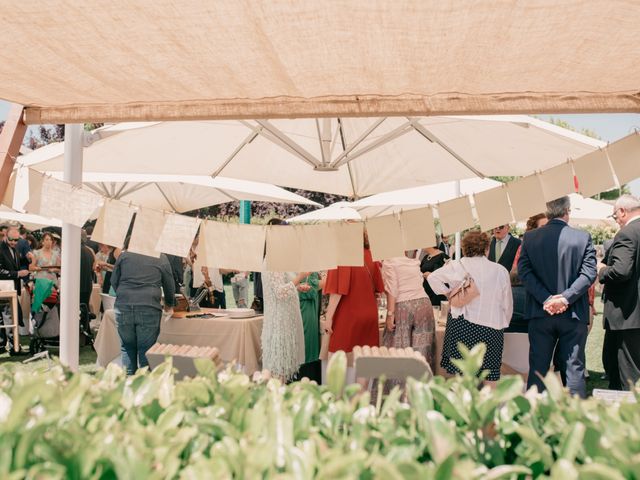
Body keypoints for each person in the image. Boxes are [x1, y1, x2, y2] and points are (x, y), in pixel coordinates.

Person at [518, 196, 596, 398]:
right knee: (574, 368)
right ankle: (575, 418)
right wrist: (565, 298)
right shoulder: (582, 237)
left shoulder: (531, 237)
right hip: (573, 315)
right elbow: (588, 274)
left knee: (538, 368)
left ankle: (535, 415)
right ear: (567, 211)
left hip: (540, 313)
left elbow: (524, 272)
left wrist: (547, 299)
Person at [428, 231, 513, 386]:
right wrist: (504, 322)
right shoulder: (500, 270)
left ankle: (463, 408)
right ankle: (489, 409)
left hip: (462, 325)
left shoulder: (456, 265)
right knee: (490, 376)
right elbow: (507, 304)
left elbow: (432, 278)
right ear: (487, 248)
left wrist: (448, 293)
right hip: (491, 327)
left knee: (462, 376)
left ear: (465, 248)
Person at [322, 229, 384, 387]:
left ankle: (336, 400)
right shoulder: (371, 254)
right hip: (369, 313)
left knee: (336, 356)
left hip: (348, 314)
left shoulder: (344, 255)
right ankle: (360, 399)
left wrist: (328, 318)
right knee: (364, 357)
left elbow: (337, 292)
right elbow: (378, 289)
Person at [111, 240, 176, 375]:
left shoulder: (124, 256)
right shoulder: (161, 257)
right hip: (148, 306)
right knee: (146, 351)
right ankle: (145, 389)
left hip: (123, 307)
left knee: (127, 348)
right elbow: (170, 285)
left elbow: (114, 281)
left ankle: (129, 388)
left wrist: (124, 295)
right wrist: (169, 305)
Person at [598, 195, 640, 390]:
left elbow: (621, 271)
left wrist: (601, 270)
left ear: (622, 211)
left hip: (627, 314)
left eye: (615, 216)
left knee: (627, 373)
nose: (616, 220)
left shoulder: (627, 233)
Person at [261, 218, 306, 380]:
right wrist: (300, 278)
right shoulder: (273, 260)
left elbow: (279, 287)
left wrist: (296, 286)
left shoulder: (276, 258)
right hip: (280, 324)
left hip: (283, 321)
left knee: (280, 371)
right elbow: (279, 293)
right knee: (278, 372)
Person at [383, 251, 436, 373]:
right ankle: (420, 388)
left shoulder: (389, 261)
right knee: (422, 352)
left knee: (398, 351)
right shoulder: (413, 262)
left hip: (403, 306)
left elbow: (393, 289)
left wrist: (390, 314)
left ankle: (400, 389)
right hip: (424, 304)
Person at [508, 213, 548, 332]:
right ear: (534, 229)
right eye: (543, 226)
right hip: (530, 297)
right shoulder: (525, 247)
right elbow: (517, 271)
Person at [0, 226, 29, 351]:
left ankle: (5, 345)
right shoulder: (1, 249)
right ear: (6, 235)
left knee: (8, 317)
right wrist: (17, 274)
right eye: (11, 239)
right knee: (8, 317)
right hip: (4, 289)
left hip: (12, 288)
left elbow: (14, 264)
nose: (14, 242)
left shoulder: (15, 249)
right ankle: (12, 347)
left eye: (16, 240)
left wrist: (26, 259)